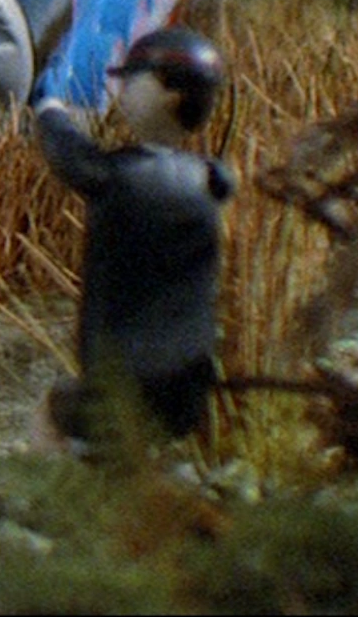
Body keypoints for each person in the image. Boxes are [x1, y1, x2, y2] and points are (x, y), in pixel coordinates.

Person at [32, 26, 235, 446]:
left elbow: (72, 155)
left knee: (55, 412)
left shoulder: (123, 176)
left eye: (131, 82)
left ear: (169, 95)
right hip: (189, 389)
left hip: (120, 384)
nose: (121, 92)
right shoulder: (211, 180)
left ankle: (56, 478)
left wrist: (49, 109)